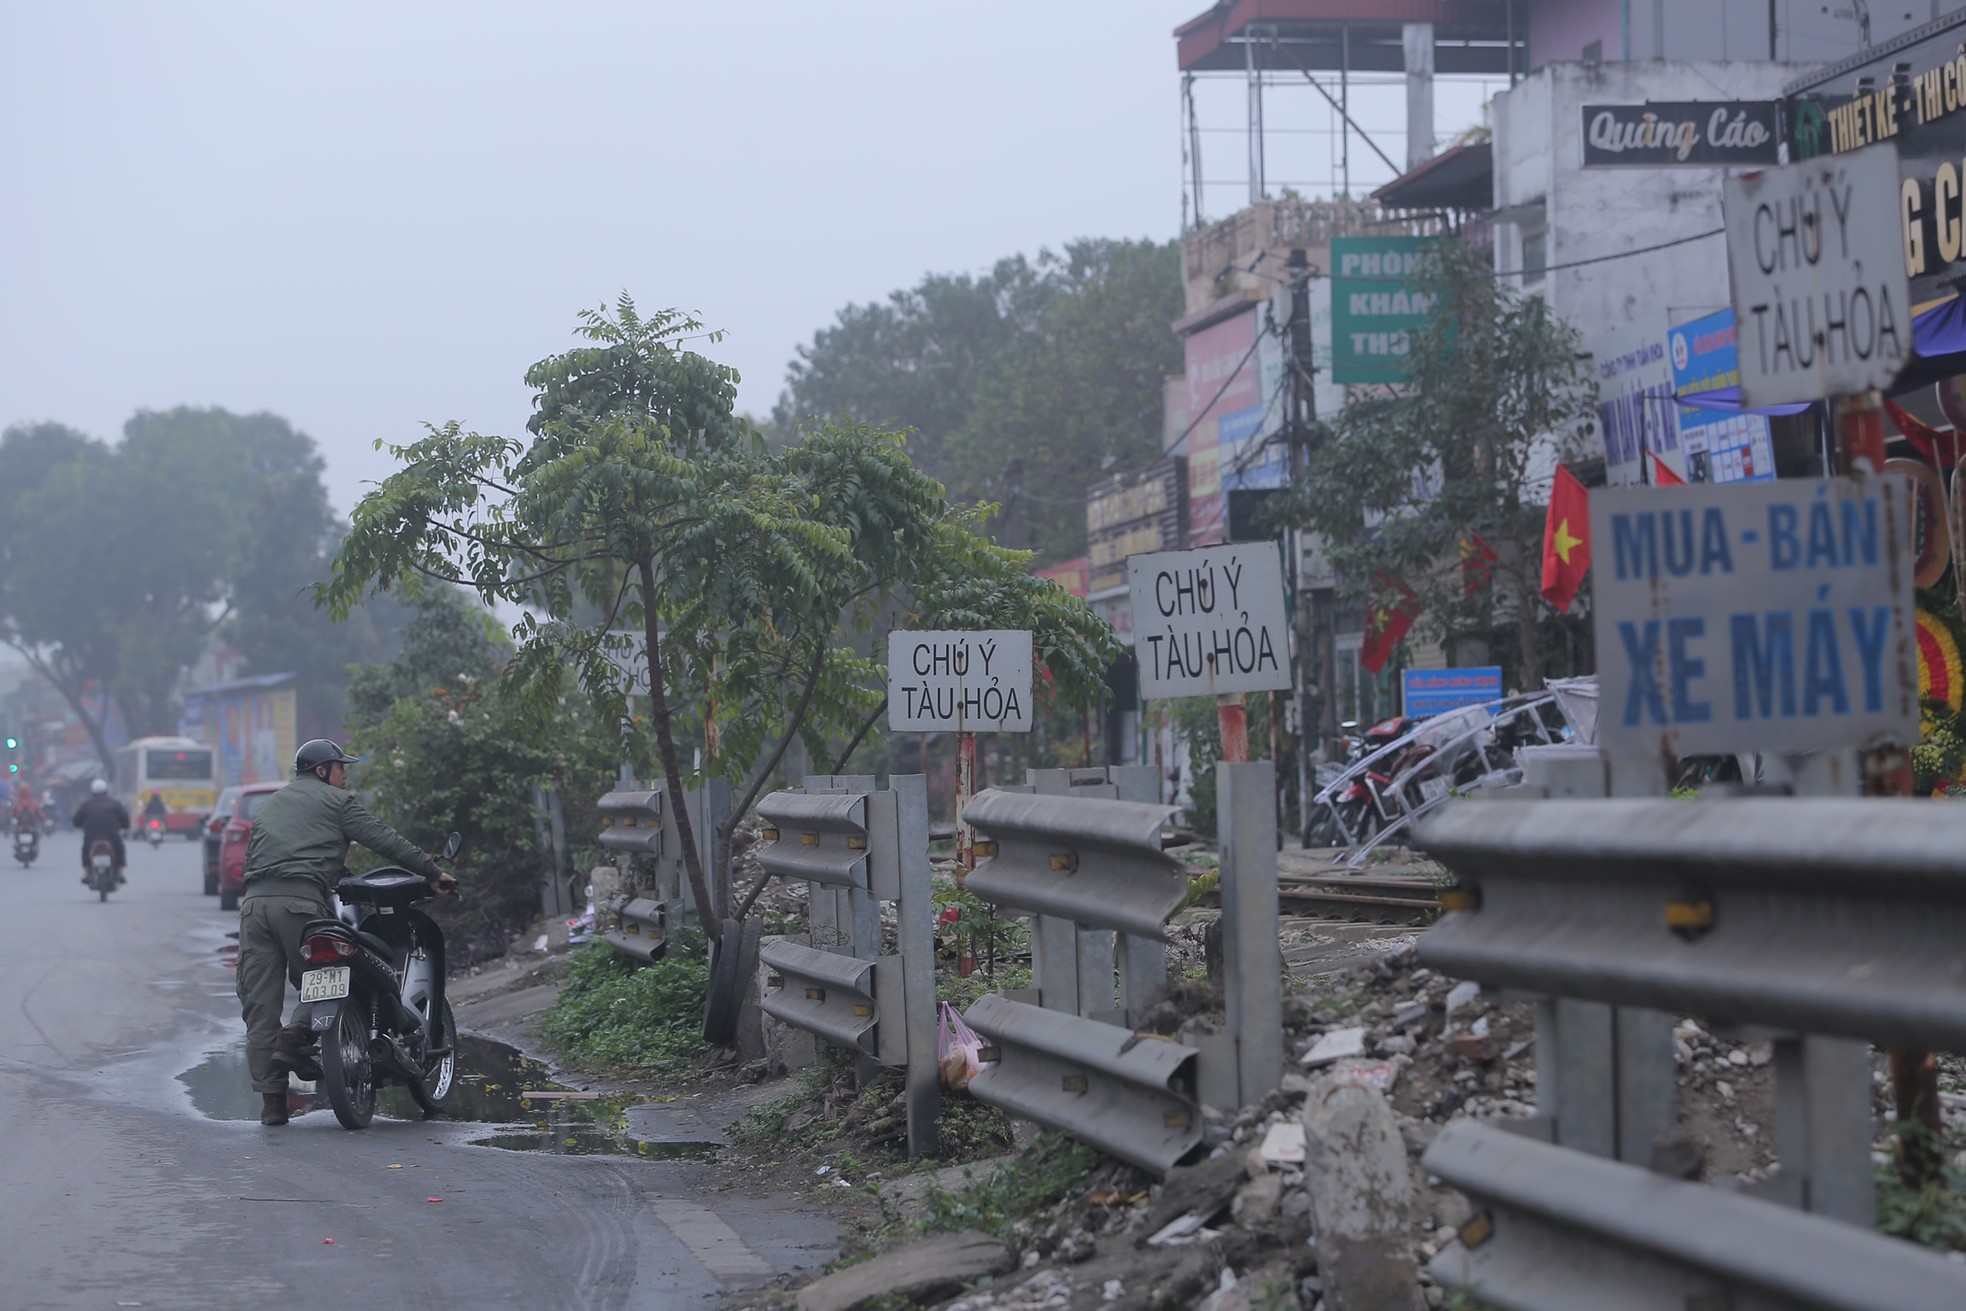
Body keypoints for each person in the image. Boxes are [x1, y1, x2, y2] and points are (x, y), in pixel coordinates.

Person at [235, 738, 457, 1127]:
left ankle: (273, 1104)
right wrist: (433, 871)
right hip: (299, 905)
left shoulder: (268, 805)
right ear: (322, 771)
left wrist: (336, 877)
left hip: (254, 907)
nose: (346, 775)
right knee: (326, 978)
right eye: (341, 768)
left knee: (259, 1005)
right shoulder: (337, 803)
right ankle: (295, 1036)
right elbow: (383, 839)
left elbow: (268, 856)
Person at [71, 779, 129, 886]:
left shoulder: (86, 805)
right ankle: (120, 873)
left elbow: (76, 821)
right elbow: (125, 820)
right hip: (111, 836)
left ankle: (87, 874)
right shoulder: (115, 804)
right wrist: (125, 827)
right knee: (120, 849)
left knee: (85, 851)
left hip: (92, 836)